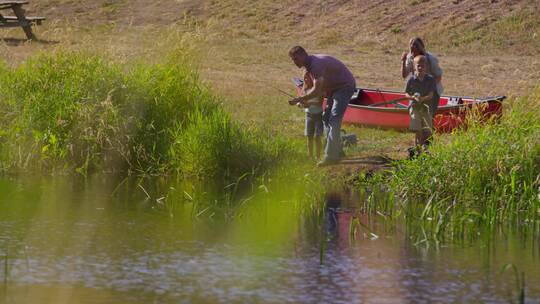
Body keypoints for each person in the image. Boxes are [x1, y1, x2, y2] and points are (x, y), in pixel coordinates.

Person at [288, 46, 356, 166]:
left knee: (334, 119)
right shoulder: (309, 66)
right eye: (293, 60)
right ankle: (337, 150)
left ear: (304, 55)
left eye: (296, 59)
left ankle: (330, 156)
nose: (295, 62)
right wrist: (304, 99)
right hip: (334, 89)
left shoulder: (315, 65)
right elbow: (313, 88)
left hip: (344, 86)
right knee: (326, 118)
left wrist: (302, 98)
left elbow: (317, 88)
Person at [401, 37, 443, 124]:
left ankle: (428, 137)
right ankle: (419, 137)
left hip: (432, 92)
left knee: (428, 116)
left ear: (421, 47)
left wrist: (429, 90)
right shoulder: (410, 58)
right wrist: (403, 61)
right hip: (417, 93)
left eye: (416, 45)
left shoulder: (430, 59)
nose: (413, 47)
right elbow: (404, 75)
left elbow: (438, 76)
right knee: (416, 117)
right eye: (411, 45)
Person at [405, 55, 437, 155]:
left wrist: (422, 99)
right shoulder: (411, 79)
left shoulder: (430, 79)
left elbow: (431, 95)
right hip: (414, 106)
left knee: (427, 130)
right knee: (417, 129)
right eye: (418, 66)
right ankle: (418, 149)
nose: (420, 68)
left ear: (426, 67)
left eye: (422, 66)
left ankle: (425, 148)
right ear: (414, 66)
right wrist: (413, 97)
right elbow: (406, 94)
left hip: (426, 107)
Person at [299, 70, 323, 160]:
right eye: (304, 78)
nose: (305, 80)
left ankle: (318, 156)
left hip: (318, 115)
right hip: (308, 115)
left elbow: (319, 103)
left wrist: (309, 103)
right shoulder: (305, 90)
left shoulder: (318, 90)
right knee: (309, 136)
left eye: (307, 77)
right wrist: (299, 104)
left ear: (312, 78)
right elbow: (301, 103)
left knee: (317, 136)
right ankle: (310, 156)